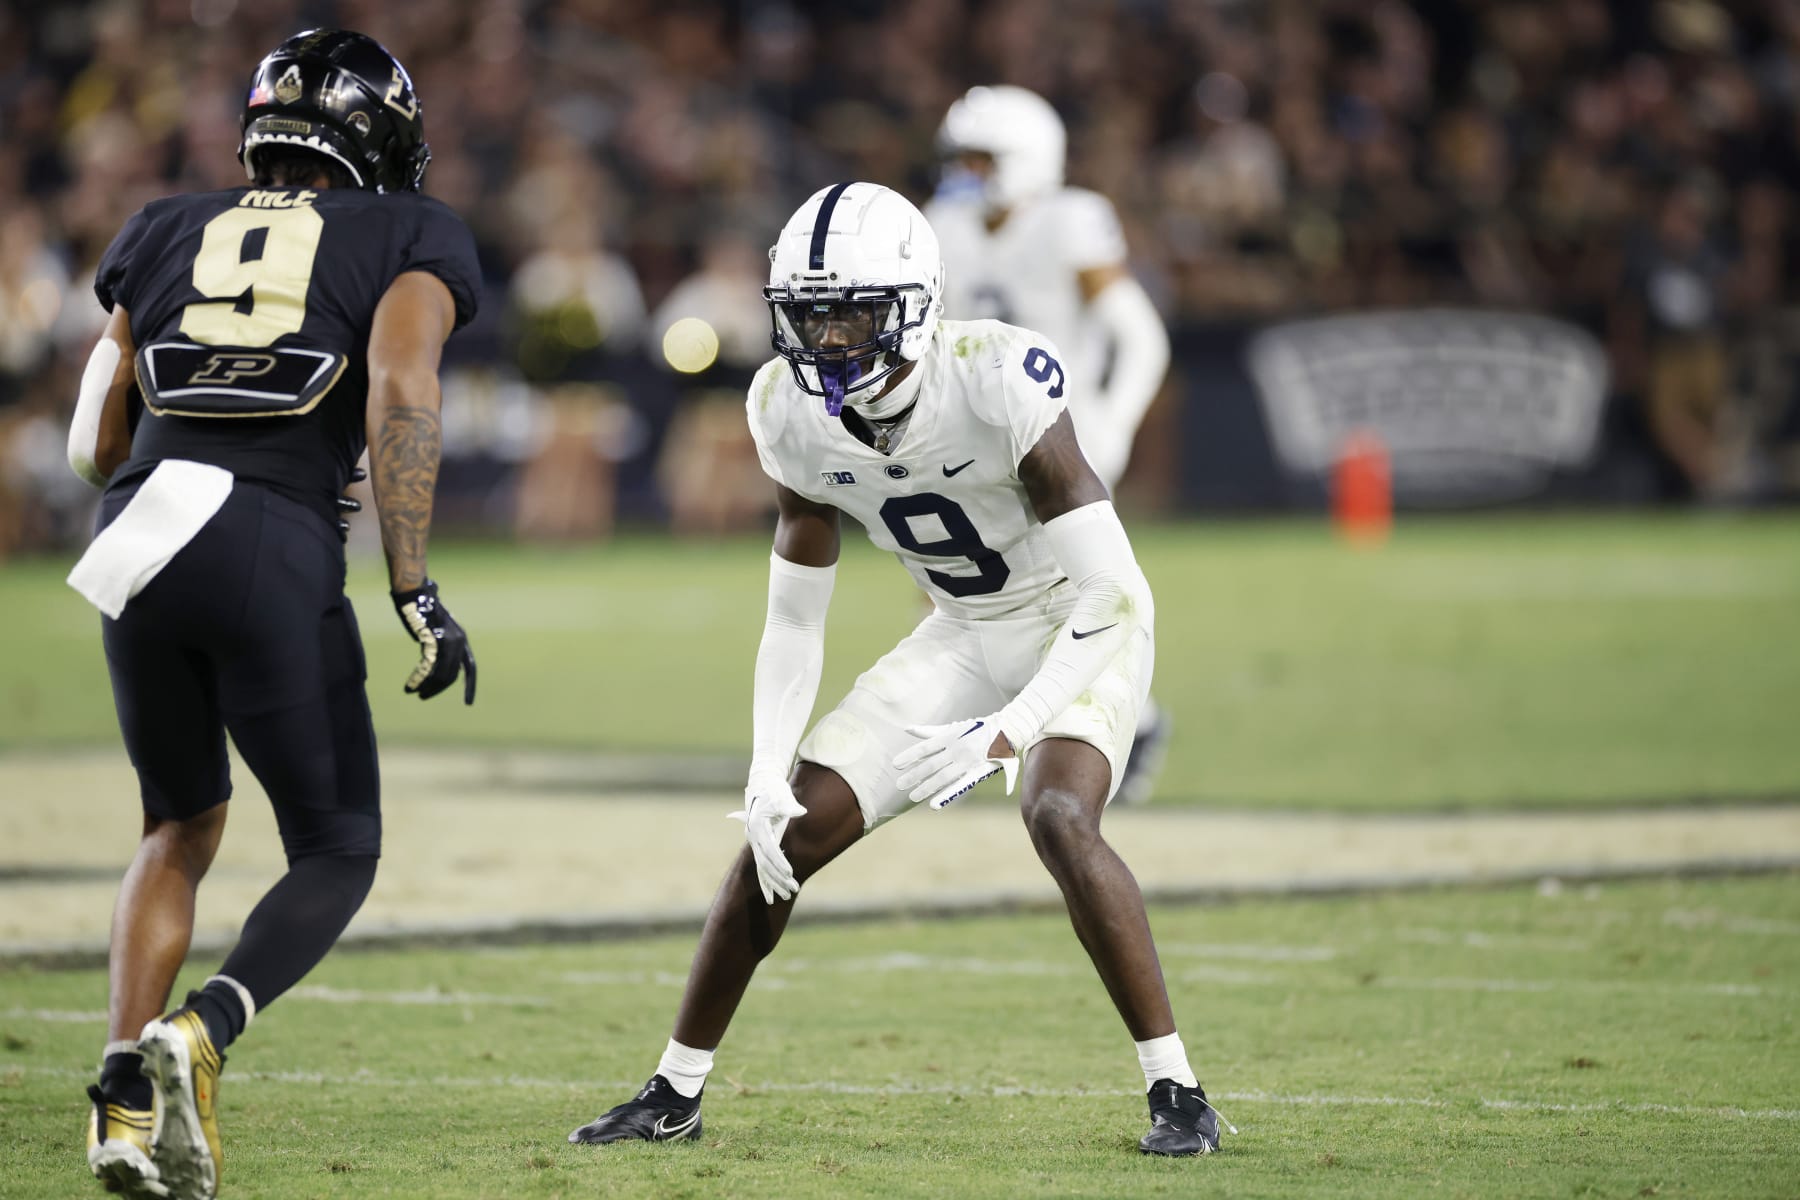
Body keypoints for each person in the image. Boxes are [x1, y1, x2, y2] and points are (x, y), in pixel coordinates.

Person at [568, 182, 1229, 1158]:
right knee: (781, 832)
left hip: (1075, 618)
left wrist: (1006, 732)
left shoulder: (996, 375)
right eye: (812, 315)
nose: (830, 339)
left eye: (853, 313)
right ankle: (674, 1092)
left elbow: (1113, 596)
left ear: (915, 303)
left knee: (1054, 814)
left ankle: (1178, 1092)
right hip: (963, 630)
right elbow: (794, 616)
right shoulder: (784, 411)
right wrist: (764, 767)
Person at [66, 30, 479, 1199]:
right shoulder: (411, 229)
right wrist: (413, 582)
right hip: (270, 530)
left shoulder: (160, 224)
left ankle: (118, 1100)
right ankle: (200, 1034)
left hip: (137, 532)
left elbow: (93, 442)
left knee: (177, 823)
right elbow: (402, 385)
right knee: (340, 843)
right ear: (384, 140)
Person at [927, 85, 1173, 804]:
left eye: (983, 157)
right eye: (961, 157)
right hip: (974, 439)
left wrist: (1114, 423)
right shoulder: (944, 223)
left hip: (1056, 439)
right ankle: (1128, 722)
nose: (967, 172)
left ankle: (1061, 739)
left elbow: (1140, 336)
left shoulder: (1070, 220)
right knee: (962, 594)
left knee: (1056, 602)